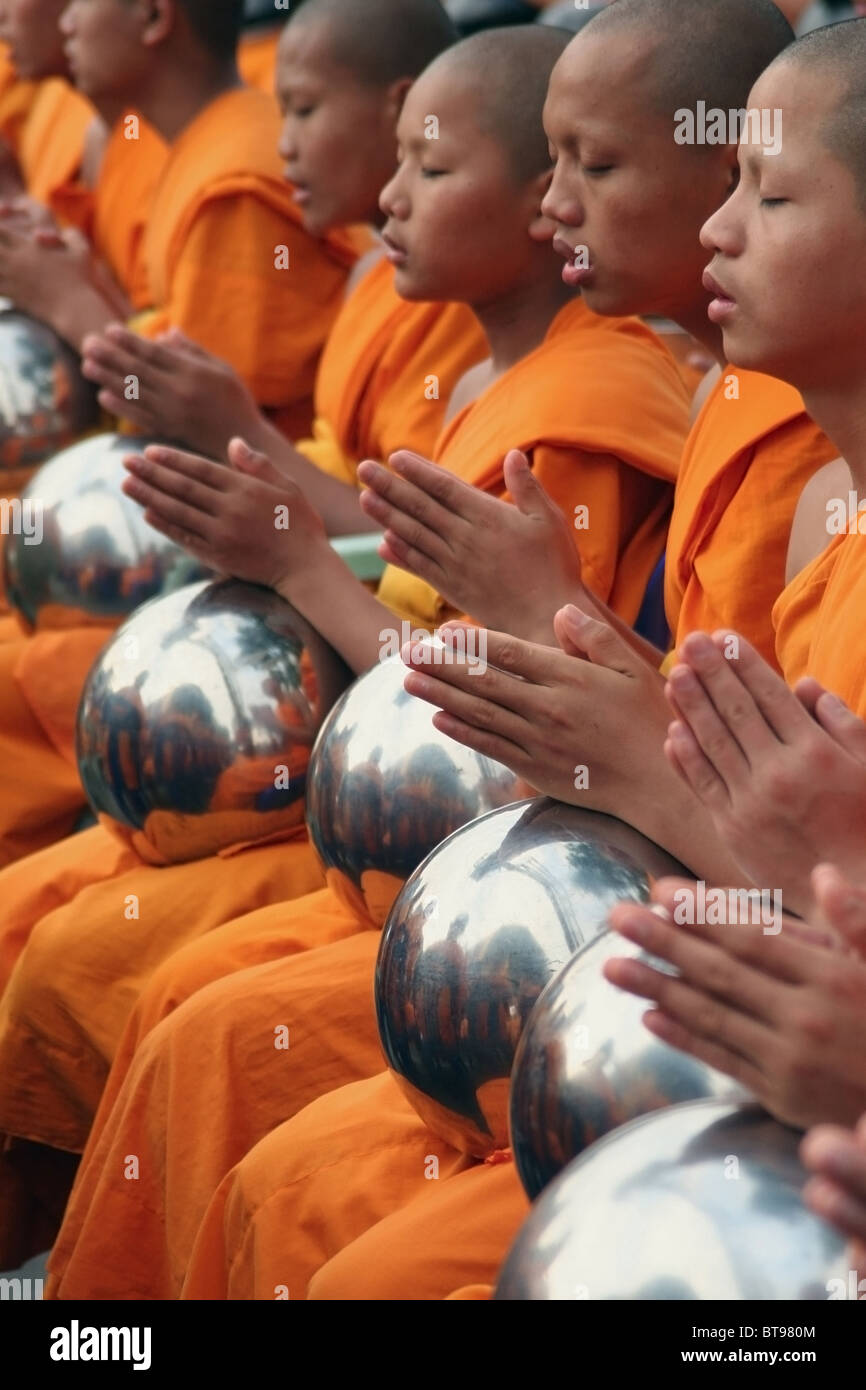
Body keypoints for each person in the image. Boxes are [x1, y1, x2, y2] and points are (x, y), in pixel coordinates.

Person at [40, 21, 691, 1294]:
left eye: (588, 169)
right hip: (397, 831)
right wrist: (259, 487)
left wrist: (295, 557)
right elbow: (392, 550)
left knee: (193, 1025)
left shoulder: (590, 410)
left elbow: (524, 723)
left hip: (544, 922)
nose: (562, 203)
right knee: (149, 983)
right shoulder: (522, 381)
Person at [0, 0, 367, 867]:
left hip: (276, 624)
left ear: (154, 16)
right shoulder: (166, 146)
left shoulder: (232, 180)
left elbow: (199, 438)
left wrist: (74, 309)